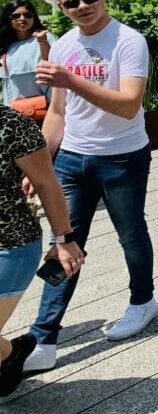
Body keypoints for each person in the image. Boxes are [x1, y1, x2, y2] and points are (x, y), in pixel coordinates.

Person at [24, 0, 157, 374]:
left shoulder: (129, 41)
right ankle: (44, 336)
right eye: (72, 2)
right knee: (63, 242)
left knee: (131, 233)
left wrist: (69, 79)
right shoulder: (63, 46)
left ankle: (142, 301)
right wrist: (40, 161)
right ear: (62, 7)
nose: (83, 7)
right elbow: (58, 112)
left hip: (122, 157)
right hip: (71, 159)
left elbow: (129, 104)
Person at [0, 107, 84, 396]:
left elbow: (46, 184)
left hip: (10, 245)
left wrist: (64, 239)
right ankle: (10, 355)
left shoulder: (11, 124)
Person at [1, 0, 55, 110]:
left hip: (43, 108)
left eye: (27, 15)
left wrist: (42, 42)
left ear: (33, 17)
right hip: (13, 112)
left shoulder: (44, 38)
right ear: (9, 19)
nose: (22, 19)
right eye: (16, 16)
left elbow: (51, 62)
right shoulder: (6, 45)